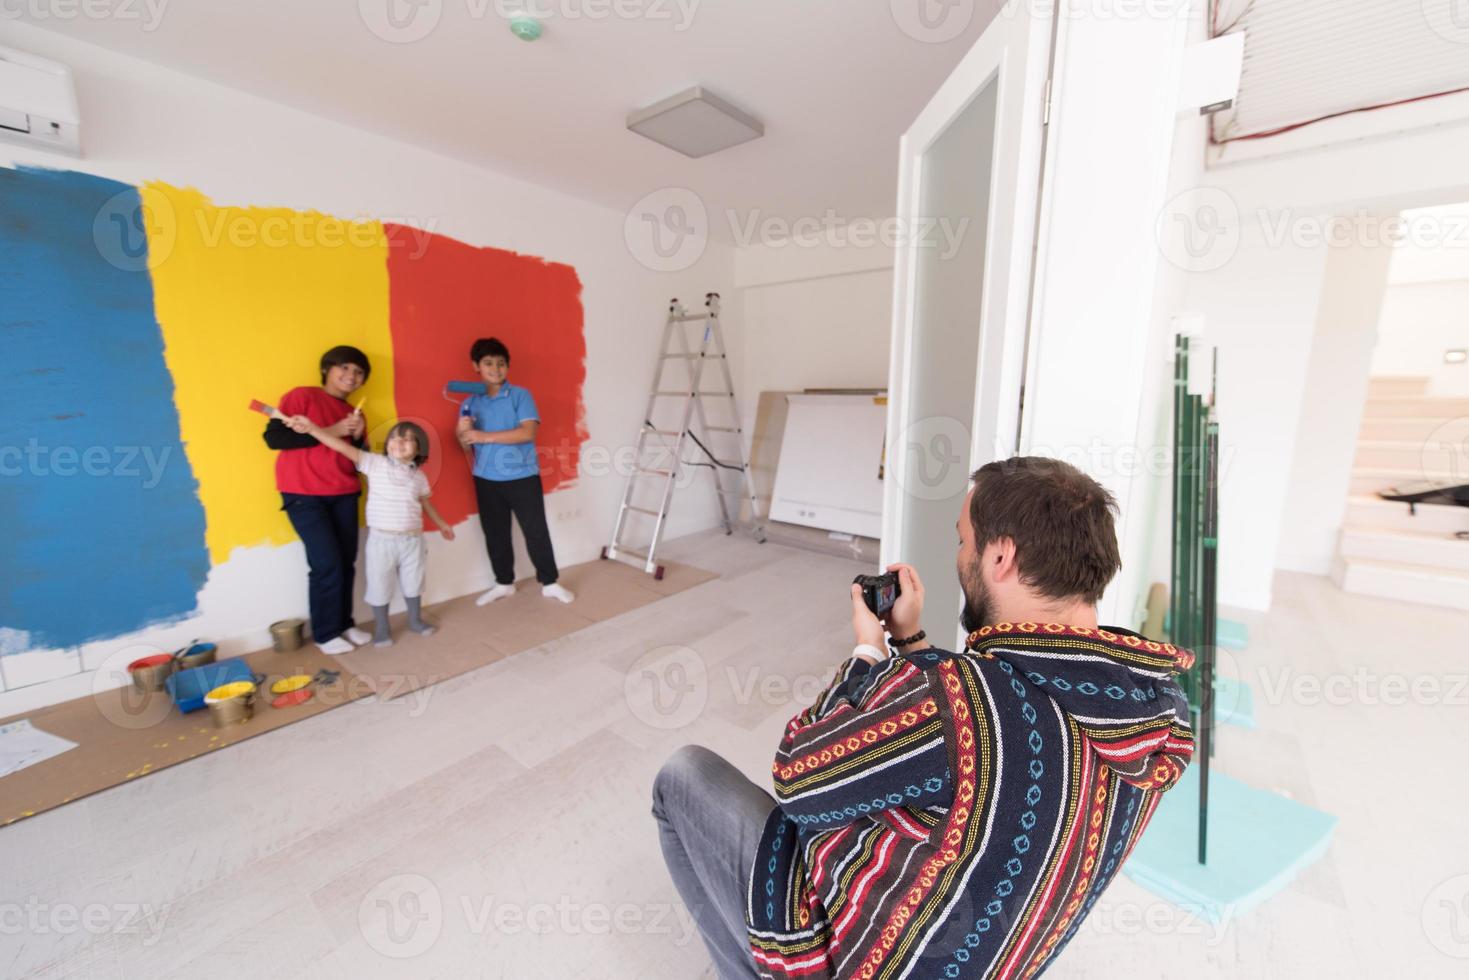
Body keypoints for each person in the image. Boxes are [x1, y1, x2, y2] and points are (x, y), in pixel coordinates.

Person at [652, 457, 1197, 979]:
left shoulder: (955, 702)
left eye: (965, 541)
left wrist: (867, 653)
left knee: (681, 776)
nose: (961, 556)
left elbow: (800, 777)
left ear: (1001, 557)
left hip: (868, 963)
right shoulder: (1151, 708)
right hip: (992, 958)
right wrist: (910, 641)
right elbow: (988, 743)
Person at [287, 415, 455, 647]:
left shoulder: (419, 476)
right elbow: (340, 446)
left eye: (408, 439)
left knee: (414, 582)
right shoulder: (374, 463)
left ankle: (415, 621)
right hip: (381, 541)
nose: (399, 442)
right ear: (387, 443)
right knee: (379, 583)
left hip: (413, 540)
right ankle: (382, 628)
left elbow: (425, 503)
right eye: (395, 438)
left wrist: (442, 524)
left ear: (419, 448)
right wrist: (313, 428)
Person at [263, 346, 373, 656]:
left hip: (344, 493)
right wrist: (333, 430)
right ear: (327, 369)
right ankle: (325, 634)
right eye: (345, 368)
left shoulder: (357, 413)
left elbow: (360, 459)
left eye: (358, 373)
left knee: (346, 563)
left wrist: (360, 435)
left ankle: (345, 623)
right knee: (327, 563)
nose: (351, 376)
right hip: (304, 494)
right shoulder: (302, 397)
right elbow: (275, 439)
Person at [456, 337, 575, 605]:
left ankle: (550, 583)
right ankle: (503, 583)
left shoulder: (520, 395)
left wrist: (483, 436)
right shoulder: (471, 401)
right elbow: (464, 442)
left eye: (501, 364)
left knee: (536, 531)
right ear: (476, 366)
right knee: (495, 533)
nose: (495, 369)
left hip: (522, 476)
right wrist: (462, 429)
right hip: (485, 479)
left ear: (507, 366)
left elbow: (527, 432)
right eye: (488, 363)